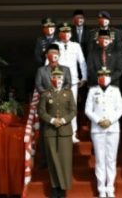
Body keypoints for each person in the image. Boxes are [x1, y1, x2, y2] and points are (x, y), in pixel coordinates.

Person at [85, 66, 122, 198]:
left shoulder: (115, 90)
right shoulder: (92, 91)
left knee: (111, 159)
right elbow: (88, 110)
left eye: (106, 75)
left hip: (113, 128)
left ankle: (110, 187)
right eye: (101, 75)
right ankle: (101, 188)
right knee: (100, 159)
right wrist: (98, 120)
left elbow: (120, 109)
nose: (103, 77)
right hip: (97, 129)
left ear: (110, 77)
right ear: (97, 77)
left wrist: (110, 120)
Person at [38, 67, 77, 198]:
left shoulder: (68, 93)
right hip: (50, 131)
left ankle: (63, 187)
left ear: (63, 79)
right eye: (55, 77)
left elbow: (73, 111)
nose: (58, 80)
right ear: (51, 79)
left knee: (65, 160)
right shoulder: (46, 94)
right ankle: (55, 187)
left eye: (60, 77)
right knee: (52, 159)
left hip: (65, 131)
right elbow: (41, 111)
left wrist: (64, 120)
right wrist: (52, 120)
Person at [56, 22, 87, 143]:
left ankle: (73, 133)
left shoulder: (76, 46)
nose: (66, 34)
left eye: (68, 31)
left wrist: (84, 77)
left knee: (72, 107)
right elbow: (48, 63)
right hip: (58, 81)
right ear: (59, 34)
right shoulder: (55, 45)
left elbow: (82, 62)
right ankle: (60, 131)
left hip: (73, 81)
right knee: (58, 106)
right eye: (63, 32)